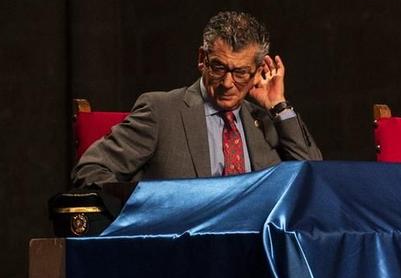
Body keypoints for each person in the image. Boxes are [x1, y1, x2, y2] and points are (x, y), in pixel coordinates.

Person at [70, 10, 322, 201]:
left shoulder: (266, 121)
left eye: (241, 72)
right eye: (218, 67)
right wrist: (146, 211)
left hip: (254, 252)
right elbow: (91, 170)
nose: (227, 83)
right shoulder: (162, 112)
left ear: (258, 71)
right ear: (202, 59)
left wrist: (278, 104)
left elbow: (315, 178)